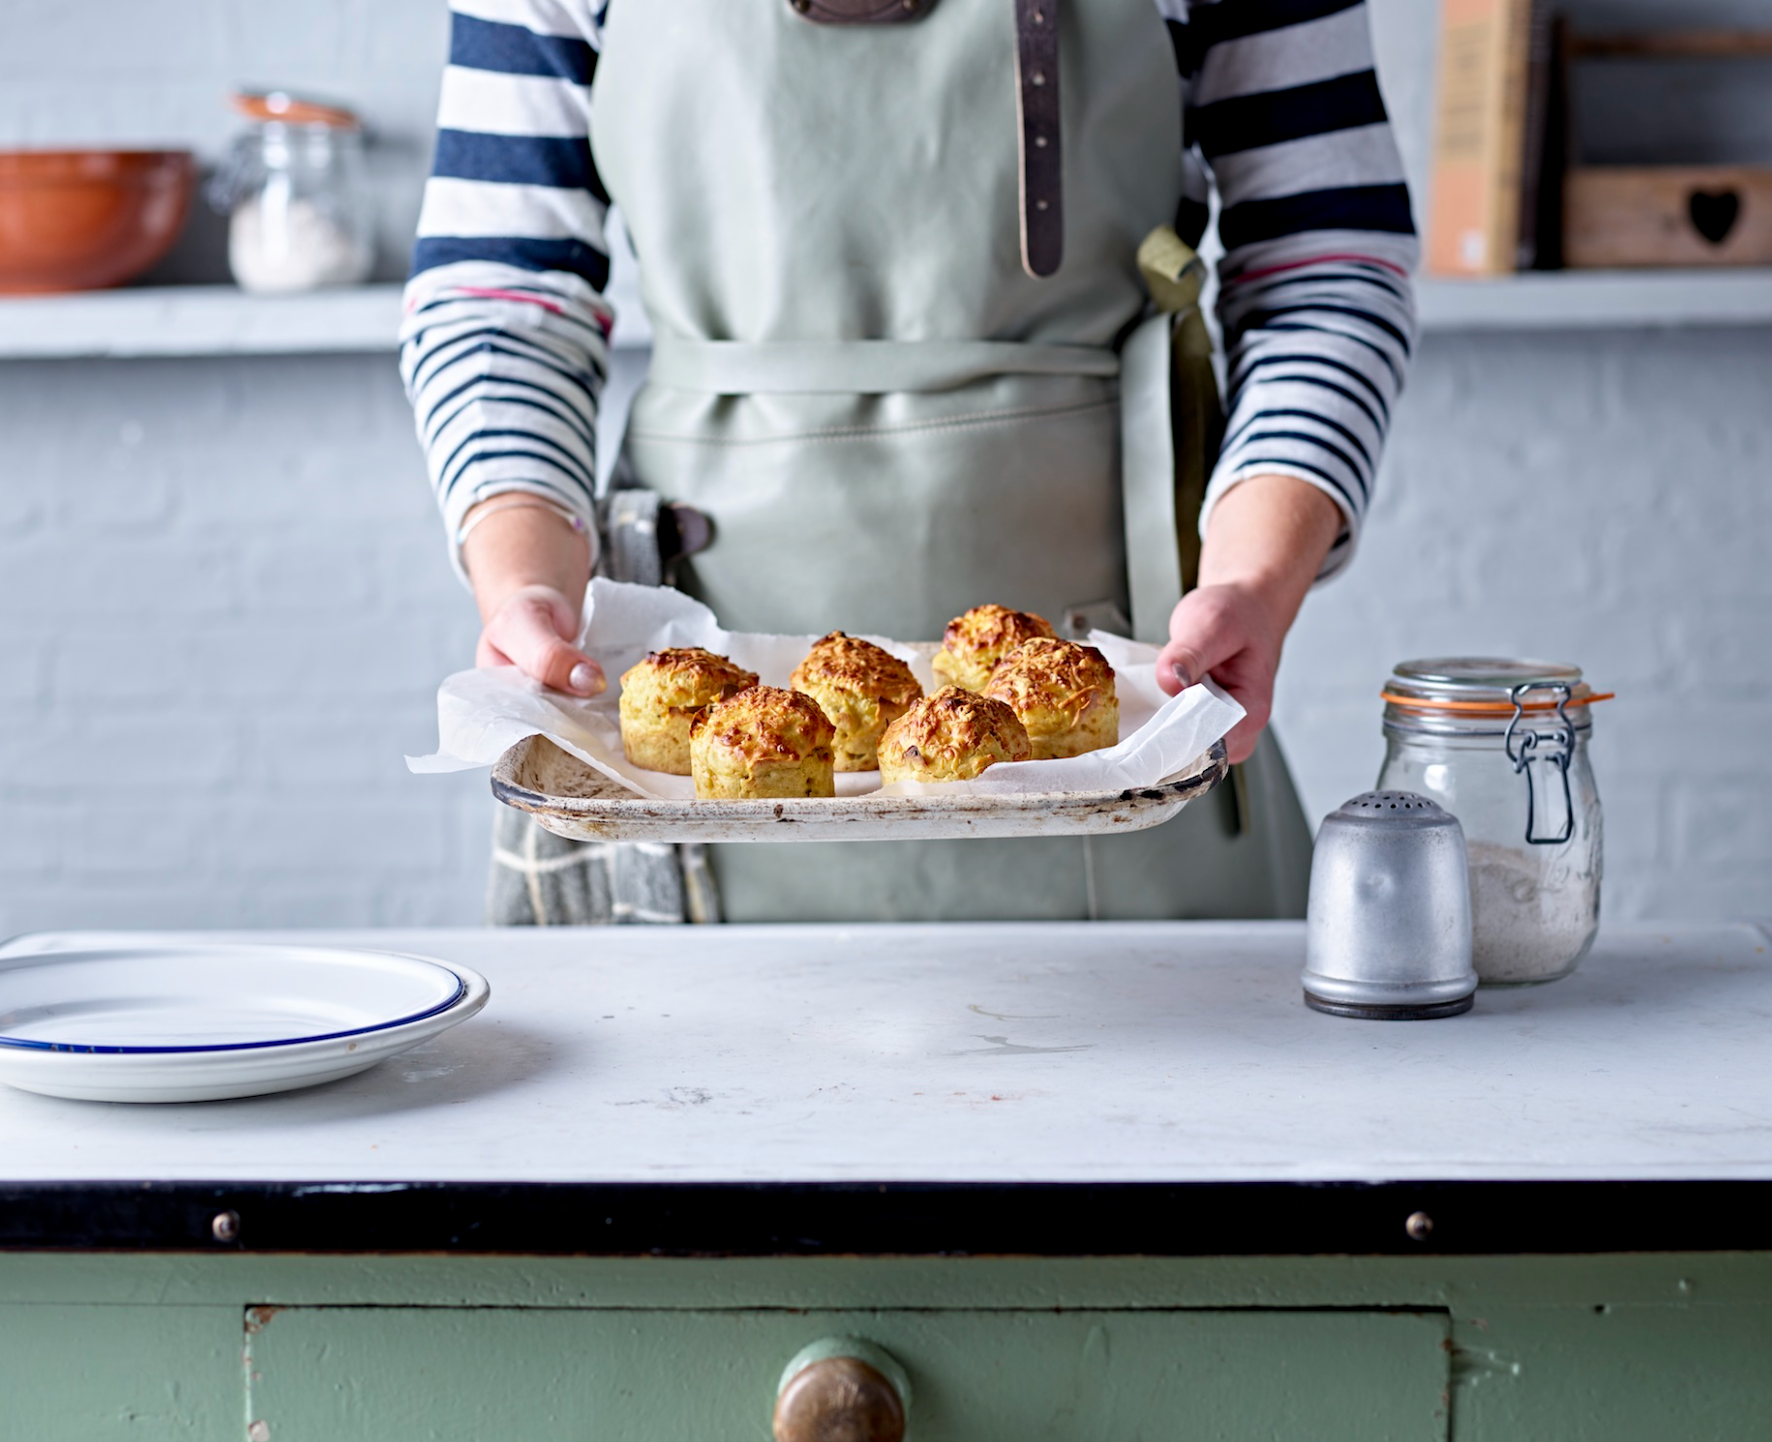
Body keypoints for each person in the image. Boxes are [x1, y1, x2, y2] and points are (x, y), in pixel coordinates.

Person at [401, 0, 1417, 924]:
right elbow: (501, 296)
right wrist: (524, 577)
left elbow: (1324, 262)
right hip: (671, 772)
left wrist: (1252, 573)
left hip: (1132, 691)